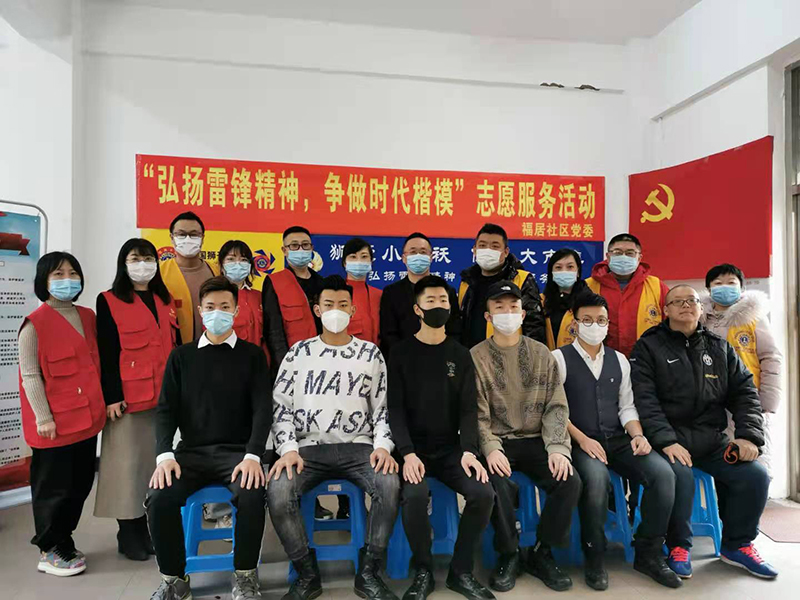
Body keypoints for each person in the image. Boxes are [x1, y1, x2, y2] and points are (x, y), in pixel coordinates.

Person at [630, 285, 777, 580]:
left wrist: (748, 436)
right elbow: (644, 401)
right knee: (679, 476)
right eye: (678, 301)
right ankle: (678, 546)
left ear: (701, 308)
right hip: (669, 440)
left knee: (755, 476)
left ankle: (737, 545)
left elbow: (745, 393)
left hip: (712, 440)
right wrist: (666, 441)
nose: (686, 305)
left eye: (692, 301)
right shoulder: (648, 347)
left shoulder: (719, 347)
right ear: (666, 310)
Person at [268, 275, 400, 600]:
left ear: (353, 310)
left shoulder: (370, 354)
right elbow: (281, 406)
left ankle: (368, 572)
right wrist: (287, 449)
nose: (336, 311)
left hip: (360, 448)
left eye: (343, 305)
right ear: (317, 309)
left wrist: (383, 446)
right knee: (279, 491)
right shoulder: (298, 354)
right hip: (307, 450)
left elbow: (383, 408)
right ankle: (306, 573)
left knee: (388, 484)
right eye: (329, 304)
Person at [145, 276, 271, 600]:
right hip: (191, 454)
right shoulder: (181, 357)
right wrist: (164, 455)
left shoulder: (253, 356)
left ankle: (245, 575)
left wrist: (253, 455)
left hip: (238, 454)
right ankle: (174, 579)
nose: (218, 313)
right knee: (159, 497)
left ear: (236, 311)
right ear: (201, 311)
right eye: (211, 306)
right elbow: (166, 410)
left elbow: (262, 410)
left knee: (252, 493)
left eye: (225, 307)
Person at [552, 293, 680, 590]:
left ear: (608, 323)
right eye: (587, 320)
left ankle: (648, 552)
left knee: (663, 475)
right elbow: (554, 410)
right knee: (597, 481)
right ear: (574, 323)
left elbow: (627, 407)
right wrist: (582, 440)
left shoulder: (620, 360)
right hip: (580, 442)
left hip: (618, 439)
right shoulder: (558, 358)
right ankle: (594, 556)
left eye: (600, 320)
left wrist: (638, 435)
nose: (594, 325)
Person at [388, 275, 496, 600]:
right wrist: (407, 453)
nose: (438, 306)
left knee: (483, 493)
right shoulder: (401, 353)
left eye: (443, 301)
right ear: (417, 309)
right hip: (413, 452)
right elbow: (395, 410)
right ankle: (423, 571)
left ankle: (460, 572)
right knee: (415, 497)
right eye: (431, 300)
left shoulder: (460, 354)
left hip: (451, 451)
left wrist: (469, 451)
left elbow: (468, 409)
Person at [472, 280, 580, 593]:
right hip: (499, 441)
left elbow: (556, 405)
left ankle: (542, 552)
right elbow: (476, 412)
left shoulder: (541, 353)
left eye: (513, 307)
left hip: (536, 439)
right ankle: (509, 553)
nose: (507, 313)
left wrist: (557, 447)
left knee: (569, 480)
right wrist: (490, 448)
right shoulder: (476, 357)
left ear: (522, 314)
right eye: (499, 307)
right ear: (488, 316)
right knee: (495, 483)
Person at [18, 252, 106, 576]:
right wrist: (43, 417)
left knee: (79, 484)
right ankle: (48, 548)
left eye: (72, 273)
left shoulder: (88, 316)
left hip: (86, 419)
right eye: (58, 274)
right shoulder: (34, 325)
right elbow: (30, 376)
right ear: (44, 281)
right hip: (54, 424)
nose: (67, 280)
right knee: (53, 489)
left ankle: (63, 540)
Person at [94, 239, 178, 561]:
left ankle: (146, 529)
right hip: (128, 401)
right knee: (126, 469)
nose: (142, 264)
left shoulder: (163, 299)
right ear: (124, 263)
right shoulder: (109, 299)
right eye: (135, 258)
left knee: (151, 468)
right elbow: (107, 351)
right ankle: (127, 533)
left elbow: (173, 346)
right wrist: (112, 396)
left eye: (148, 258)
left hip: (162, 398)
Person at [700, 263, 782, 477]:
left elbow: (771, 357)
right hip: (711, 400)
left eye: (731, 283)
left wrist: (768, 399)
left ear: (741, 288)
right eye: (718, 283)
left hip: (749, 399)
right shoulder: (700, 319)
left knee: (755, 454)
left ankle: (757, 492)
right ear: (708, 289)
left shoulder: (754, 318)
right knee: (722, 455)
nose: (724, 287)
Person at [459, 223, 545, 349]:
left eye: (495, 246)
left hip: (512, 354)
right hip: (472, 354)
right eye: (482, 245)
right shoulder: (467, 282)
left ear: (505, 252)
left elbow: (534, 327)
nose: (488, 250)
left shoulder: (521, 279)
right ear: (475, 249)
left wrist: (530, 356)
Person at [379, 232, 461, 360]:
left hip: (441, 358)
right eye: (413, 252)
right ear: (404, 258)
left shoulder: (447, 291)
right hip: (404, 360)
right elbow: (388, 333)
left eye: (423, 252)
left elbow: (455, 331)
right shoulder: (391, 292)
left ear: (431, 257)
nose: (418, 256)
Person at [586, 233, 669, 356]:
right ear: (608, 257)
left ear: (639, 258)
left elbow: (672, 323)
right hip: (600, 360)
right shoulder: (588, 286)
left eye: (630, 253)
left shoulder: (657, 286)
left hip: (647, 360)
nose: (623, 257)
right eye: (617, 252)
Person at [262, 226, 323, 373]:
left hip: (321, 361)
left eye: (305, 245)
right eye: (294, 245)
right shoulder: (274, 281)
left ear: (312, 248)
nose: (300, 249)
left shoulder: (322, 282)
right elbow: (273, 331)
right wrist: (286, 367)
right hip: (292, 363)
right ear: (284, 250)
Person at [160, 211, 218, 344]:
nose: (188, 239)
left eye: (194, 234)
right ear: (172, 238)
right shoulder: (159, 273)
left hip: (213, 347)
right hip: (174, 349)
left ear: (202, 238)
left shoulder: (216, 271)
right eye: (181, 234)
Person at [219, 240, 266, 352]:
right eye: (231, 259)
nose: (238, 264)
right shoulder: (214, 296)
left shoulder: (259, 296)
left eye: (243, 260)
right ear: (221, 265)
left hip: (257, 358)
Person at [541, 248, 589, 350]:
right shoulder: (541, 301)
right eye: (558, 267)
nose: (564, 271)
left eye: (570, 267)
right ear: (551, 273)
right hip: (547, 357)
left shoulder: (589, 302)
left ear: (578, 272)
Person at [342, 237, 382, 346]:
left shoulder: (379, 295)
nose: (359, 261)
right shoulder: (337, 293)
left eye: (364, 256)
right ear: (345, 263)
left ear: (371, 262)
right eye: (353, 257)